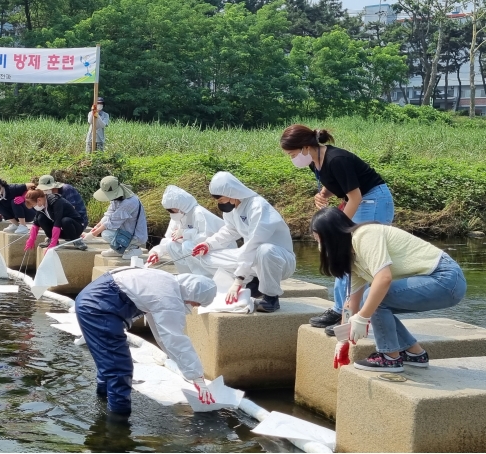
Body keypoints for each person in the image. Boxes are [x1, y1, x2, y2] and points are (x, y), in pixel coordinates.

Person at [310, 207, 466, 372]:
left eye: (321, 241)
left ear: (332, 235)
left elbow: (384, 279)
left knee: (374, 295)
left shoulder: (365, 235)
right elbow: (352, 302)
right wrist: (342, 340)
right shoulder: (353, 258)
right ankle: (414, 354)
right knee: (371, 299)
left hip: (445, 278)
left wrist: (362, 318)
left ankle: (389, 358)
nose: (321, 248)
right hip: (440, 283)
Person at [280, 125, 394, 334]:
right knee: (344, 258)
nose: (292, 159)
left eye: (293, 154)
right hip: (359, 201)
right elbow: (333, 182)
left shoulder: (336, 159)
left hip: (373, 201)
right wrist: (324, 193)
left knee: (357, 258)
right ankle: (340, 310)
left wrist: (338, 229)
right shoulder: (315, 161)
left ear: (306, 147)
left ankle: (352, 315)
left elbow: (355, 196)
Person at [75, 268, 219, 415]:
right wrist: (197, 377)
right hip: (99, 308)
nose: (195, 307)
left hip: (93, 300)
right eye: (197, 303)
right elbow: (174, 339)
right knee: (119, 368)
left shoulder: (166, 281)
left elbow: (162, 335)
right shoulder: (168, 297)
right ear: (193, 294)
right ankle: (118, 422)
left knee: (109, 363)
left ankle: (103, 401)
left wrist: (192, 373)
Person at [192, 172, 295, 313]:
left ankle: (271, 296)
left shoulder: (257, 206)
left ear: (231, 192)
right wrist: (208, 244)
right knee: (206, 256)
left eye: (221, 199)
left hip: (279, 260)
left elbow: (255, 242)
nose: (220, 203)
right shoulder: (232, 208)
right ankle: (254, 282)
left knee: (264, 250)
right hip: (252, 256)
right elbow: (229, 231)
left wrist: (238, 280)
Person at [147, 185, 234, 276]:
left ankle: (207, 278)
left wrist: (185, 233)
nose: (172, 212)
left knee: (187, 245)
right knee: (171, 245)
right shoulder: (177, 216)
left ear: (181, 205)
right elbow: (169, 238)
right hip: (195, 251)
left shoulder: (198, 213)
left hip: (219, 249)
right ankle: (187, 277)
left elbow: (206, 237)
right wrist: (156, 252)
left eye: (173, 209)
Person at [84, 176, 148, 259]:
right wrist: (96, 227)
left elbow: (113, 221)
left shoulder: (129, 202)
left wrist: (93, 234)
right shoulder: (117, 199)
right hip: (125, 231)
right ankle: (117, 249)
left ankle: (135, 249)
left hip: (135, 236)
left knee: (106, 234)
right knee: (105, 232)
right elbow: (109, 215)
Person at [23, 190, 88, 251]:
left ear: (39, 200)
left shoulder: (55, 201)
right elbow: (36, 223)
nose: (35, 207)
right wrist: (31, 239)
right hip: (63, 231)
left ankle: (76, 240)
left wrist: (52, 245)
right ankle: (51, 239)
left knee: (65, 221)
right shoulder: (42, 206)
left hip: (74, 228)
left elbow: (58, 221)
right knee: (41, 218)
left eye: (34, 205)